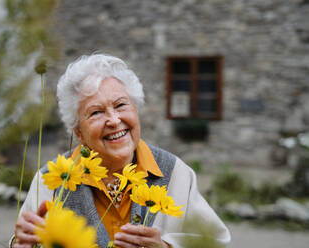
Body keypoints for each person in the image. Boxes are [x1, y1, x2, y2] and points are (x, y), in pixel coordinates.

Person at [12, 54, 231, 248]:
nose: (114, 120)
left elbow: (215, 243)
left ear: (136, 110)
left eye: (121, 105)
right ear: (78, 132)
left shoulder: (175, 173)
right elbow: (26, 241)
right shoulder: (51, 180)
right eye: (96, 112)